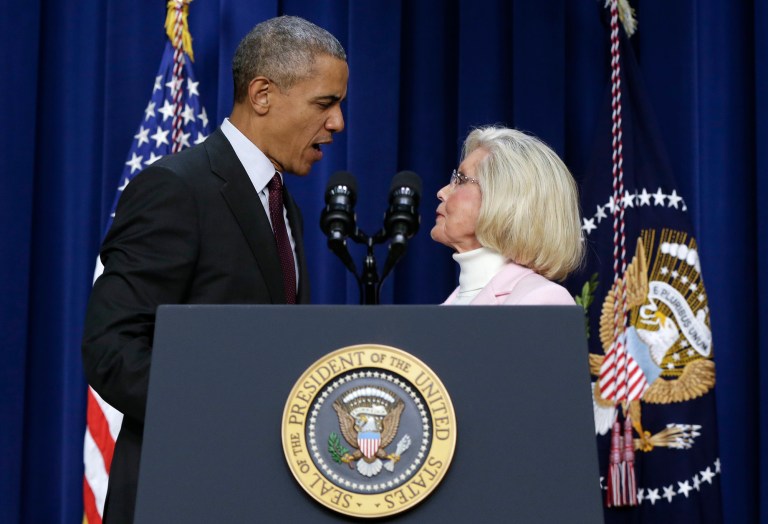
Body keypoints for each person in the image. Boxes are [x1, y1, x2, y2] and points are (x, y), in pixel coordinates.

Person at [82, 16, 348, 523]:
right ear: (263, 94)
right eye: (325, 103)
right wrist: (230, 414)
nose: (337, 123)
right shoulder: (177, 189)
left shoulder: (280, 203)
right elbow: (111, 349)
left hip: (259, 492)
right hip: (180, 487)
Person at [431, 126, 584, 305]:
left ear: (507, 200)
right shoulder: (452, 302)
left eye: (461, 180)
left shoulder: (543, 299)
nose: (442, 193)